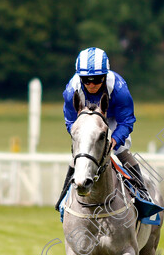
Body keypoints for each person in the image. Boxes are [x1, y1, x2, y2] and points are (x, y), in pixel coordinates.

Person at [55, 47, 150, 210]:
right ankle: (64, 196)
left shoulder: (119, 88)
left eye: (97, 79)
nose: (91, 85)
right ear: (80, 78)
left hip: (112, 117)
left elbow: (127, 120)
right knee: (80, 154)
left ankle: (143, 193)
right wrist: (81, 137)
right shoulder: (71, 91)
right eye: (86, 80)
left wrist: (115, 140)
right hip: (85, 118)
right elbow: (71, 121)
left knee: (121, 150)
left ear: (105, 76)